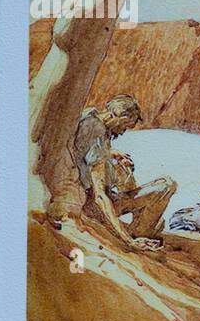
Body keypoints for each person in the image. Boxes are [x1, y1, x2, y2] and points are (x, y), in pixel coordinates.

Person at [72, 94, 176, 251]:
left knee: (123, 168)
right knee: (167, 186)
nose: (122, 132)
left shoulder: (89, 116)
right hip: (92, 206)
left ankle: (140, 220)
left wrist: (111, 152)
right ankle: (137, 232)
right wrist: (128, 241)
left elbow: (86, 148)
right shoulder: (98, 131)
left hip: (85, 195)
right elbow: (100, 195)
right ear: (119, 117)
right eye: (125, 126)